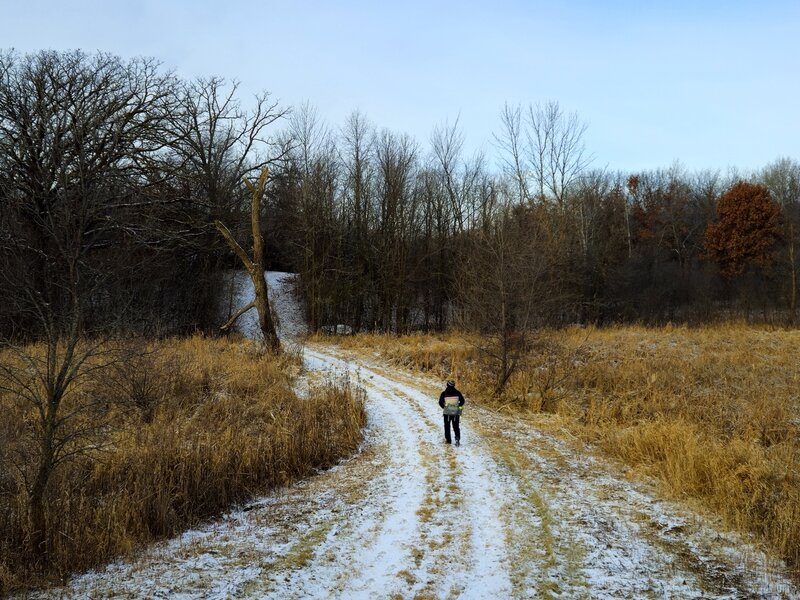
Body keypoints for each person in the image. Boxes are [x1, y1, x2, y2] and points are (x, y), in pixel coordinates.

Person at [438, 380, 465, 446]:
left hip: (447, 413)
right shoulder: (458, 393)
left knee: (447, 426)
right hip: (456, 413)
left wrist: (445, 408)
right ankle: (457, 439)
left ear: (447, 385)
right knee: (456, 426)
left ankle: (448, 440)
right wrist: (458, 407)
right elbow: (462, 401)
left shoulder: (444, 393)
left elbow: (440, 402)